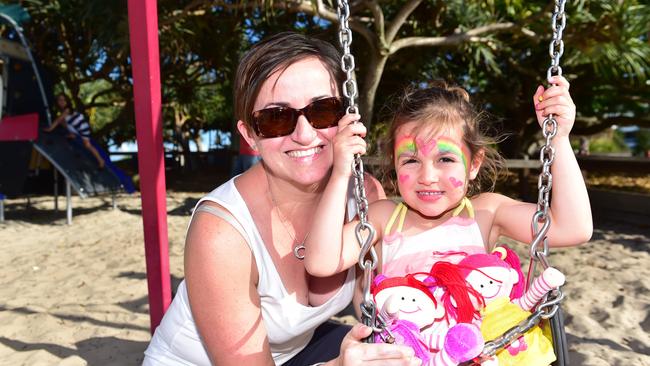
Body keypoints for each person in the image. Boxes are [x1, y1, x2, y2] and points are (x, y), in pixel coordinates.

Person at [143, 32, 421, 366]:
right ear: (250, 136)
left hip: (297, 352)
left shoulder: (365, 197)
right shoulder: (221, 232)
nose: (304, 134)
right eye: (277, 117)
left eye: (323, 111)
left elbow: (381, 301)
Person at [305, 77, 592, 293]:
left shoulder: (486, 213)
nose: (427, 176)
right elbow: (320, 262)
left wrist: (559, 140)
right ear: (394, 163)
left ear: (474, 163)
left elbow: (573, 228)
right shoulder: (383, 218)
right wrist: (340, 173)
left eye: (445, 159)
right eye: (411, 161)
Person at [43, 93, 105, 169]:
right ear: (57, 102)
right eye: (59, 100)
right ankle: (73, 134)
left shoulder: (67, 109)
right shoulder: (62, 111)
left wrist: (50, 129)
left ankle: (101, 161)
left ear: (67, 101)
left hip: (83, 128)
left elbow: (58, 120)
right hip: (75, 128)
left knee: (87, 145)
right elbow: (61, 120)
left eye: (63, 100)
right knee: (62, 120)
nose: (61, 102)